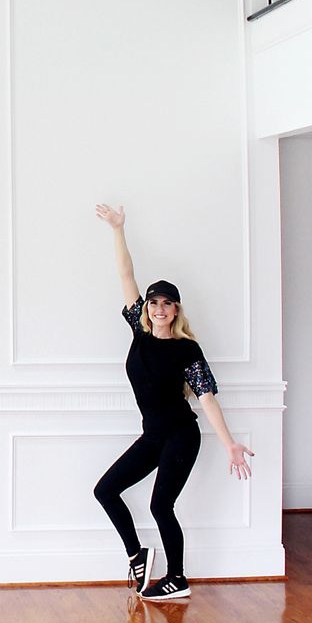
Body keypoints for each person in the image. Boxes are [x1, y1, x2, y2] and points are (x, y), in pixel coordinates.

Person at [93, 203, 254, 600]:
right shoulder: (139, 333)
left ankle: (177, 578)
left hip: (182, 435)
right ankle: (137, 555)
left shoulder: (187, 349)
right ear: (147, 308)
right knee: (106, 490)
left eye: (167, 303)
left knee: (160, 506)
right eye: (154, 303)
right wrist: (118, 228)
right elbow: (126, 274)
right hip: (153, 436)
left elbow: (207, 398)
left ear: (176, 309)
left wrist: (230, 442)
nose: (159, 308)